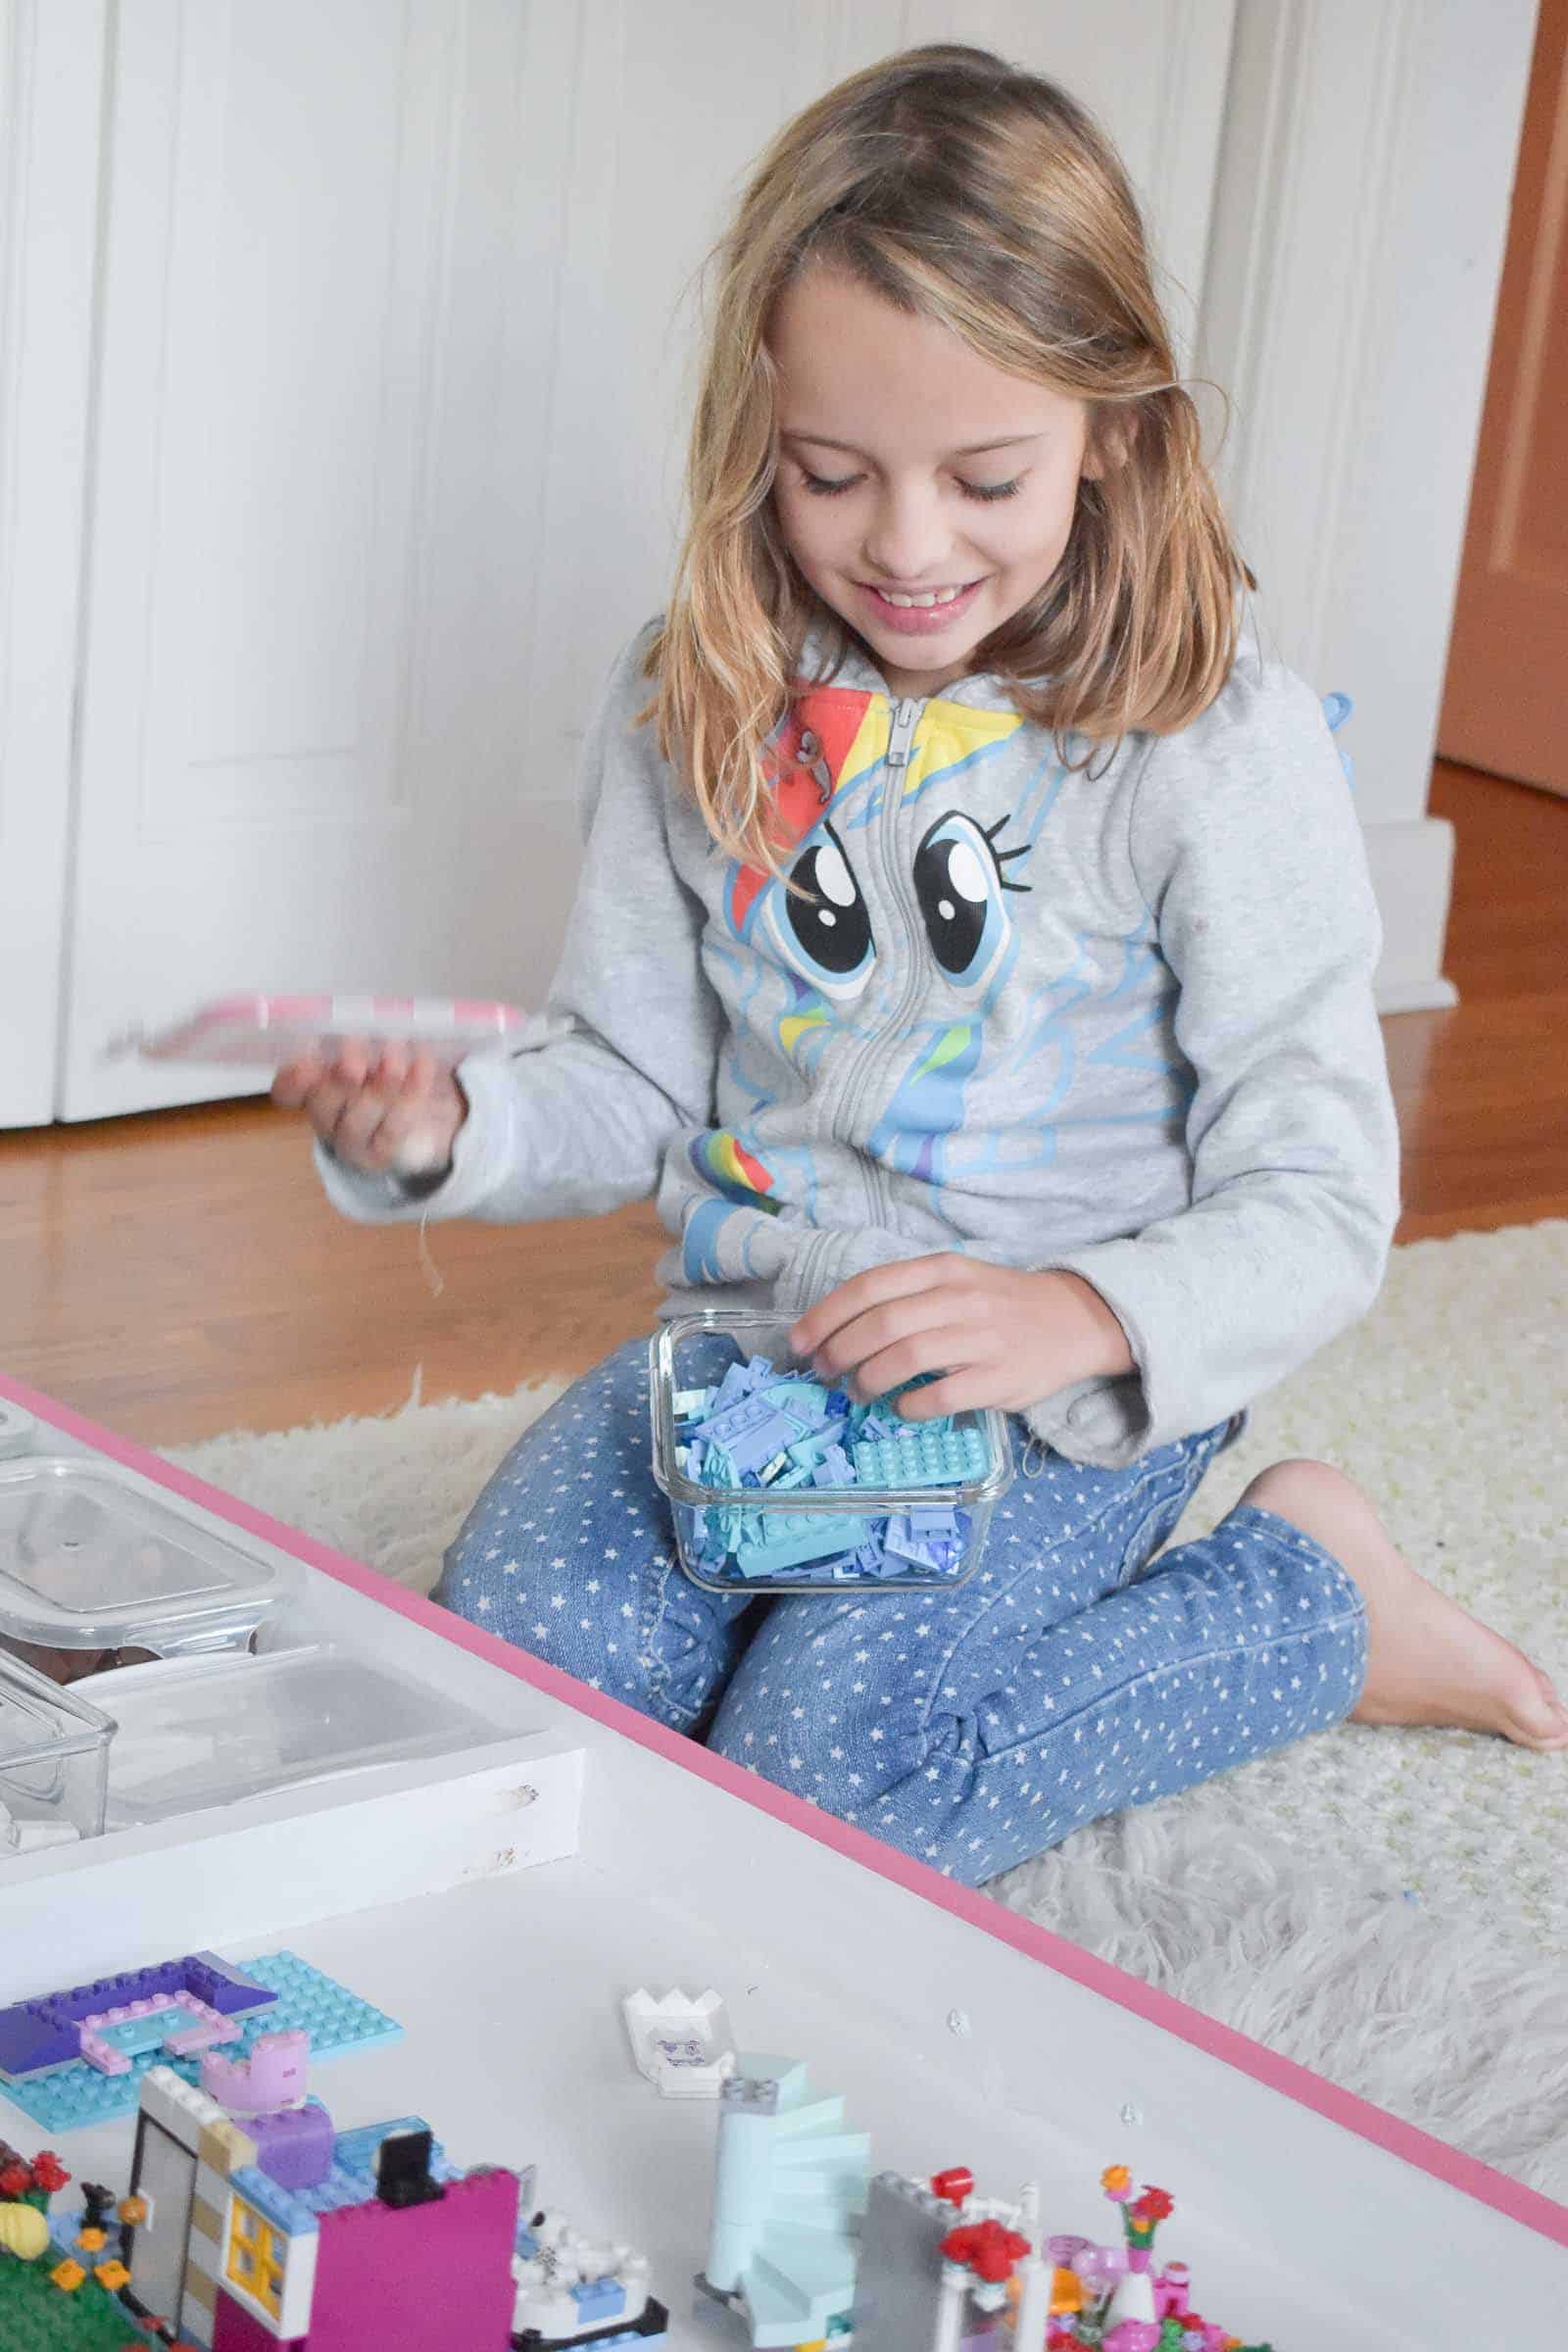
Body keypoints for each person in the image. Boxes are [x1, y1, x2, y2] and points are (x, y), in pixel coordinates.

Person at [274, 45, 1568, 1884]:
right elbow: (632, 1083)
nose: (904, 544)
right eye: (830, 474)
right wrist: (441, 1133)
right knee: (518, 1717)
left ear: (1114, 429)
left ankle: (1311, 1597)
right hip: (750, 1361)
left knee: (821, 1801)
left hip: (1050, 1412)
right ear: (760, 435)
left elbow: (1320, 1192)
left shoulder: (1210, 749)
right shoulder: (693, 701)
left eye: (984, 476)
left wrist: (1088, 1317)